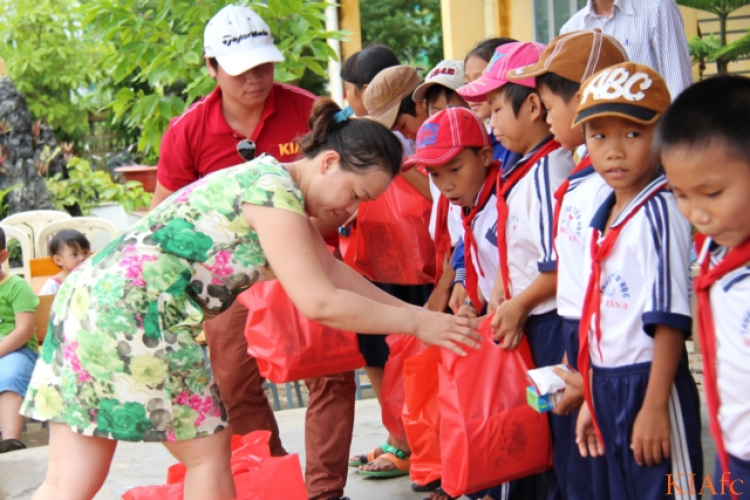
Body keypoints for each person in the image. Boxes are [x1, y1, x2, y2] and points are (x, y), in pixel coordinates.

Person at [21, 99, 481, 500]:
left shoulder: (271, 183)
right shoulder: (273, 193)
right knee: (208, 456)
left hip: (87, 304)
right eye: (357, 194)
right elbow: (320, 301)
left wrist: (420, 315)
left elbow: (334, 271)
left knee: (68, 481)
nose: (352, 210)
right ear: (328, 163)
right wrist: (420, 326)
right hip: (136, 316)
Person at [151, 6, 356, 500]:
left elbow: (347, 192)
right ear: (212, 68)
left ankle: (325, 492)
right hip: (231, 285)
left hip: (310, 262)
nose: (256, 80)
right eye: (242, 71)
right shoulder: (188, 131)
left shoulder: (311, 112)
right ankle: (276, 485)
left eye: (264, 66)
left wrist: (300, 236)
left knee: (332, 374)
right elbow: (163, 217)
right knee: (235, 386)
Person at [572, 62, 703, 499]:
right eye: (599, 135)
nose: (614, 151)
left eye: (632, 134)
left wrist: (653, 407)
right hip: (607, 386)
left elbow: (669, 318)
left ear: (663, 137)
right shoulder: (607, 212)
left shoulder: (660, 212)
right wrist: (592, 396)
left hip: (651, 384)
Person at [508, 30, 628, 499]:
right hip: (576, 341)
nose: (545, 115)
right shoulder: (581, 177)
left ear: (584, 99)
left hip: (612, 357)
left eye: (549, 105)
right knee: (580, 468)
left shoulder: (609, 186)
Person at [457, 41, 576, 500]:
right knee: (537, 427)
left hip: (548, 326)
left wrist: (520, 303)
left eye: (495, 112)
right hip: (529, 321)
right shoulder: (524, 168)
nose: (491, 125)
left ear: (532, 106)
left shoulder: (550, 170)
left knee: (555, 433)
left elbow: (560, 263)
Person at [403, 107, 504, 500]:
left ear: (484, 156)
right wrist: (469, 294)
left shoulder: (501, 199)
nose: (444, 184)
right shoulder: (472, 204)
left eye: (454, 168)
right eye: (434, 174)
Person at [657, 75, 750, 499]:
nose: (698, 212)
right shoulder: (713, 246)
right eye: (681, 194)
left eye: (712, 193)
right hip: (733, 447)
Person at [412, 60, 468, 314]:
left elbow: (467, 234)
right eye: (435, 111)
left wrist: (447, 286)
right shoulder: (434, 160)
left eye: (454, 109)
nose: (444, 119)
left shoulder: (472, 166)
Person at [560, 0, 693, 99]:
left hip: (652, 130)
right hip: (597, 132)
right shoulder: (571, 30)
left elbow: (679, 84)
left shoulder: (658, 8)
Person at [0, 227, 39, 453]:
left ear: (2, 257)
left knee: (10, 376)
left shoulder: (16, 286)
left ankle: (10, 442)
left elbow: (23, 331)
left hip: (18, 350)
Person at [38, 230, 91, 296]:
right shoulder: (53, 285)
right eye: (75, 254)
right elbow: (45, 304)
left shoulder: (90, 278)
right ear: (58, 260)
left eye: (85, 252)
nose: (82, 258)